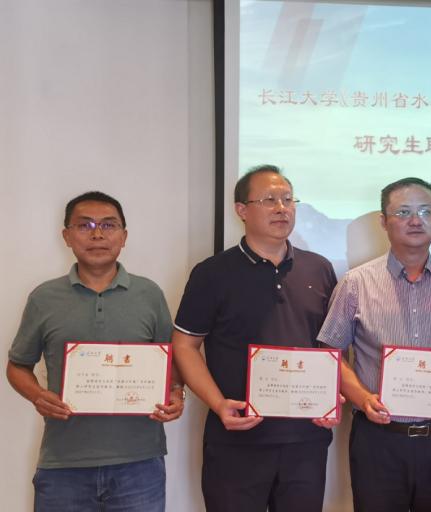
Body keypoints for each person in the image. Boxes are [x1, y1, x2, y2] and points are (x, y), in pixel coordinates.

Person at [172, 165, 340, 511]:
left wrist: (331, 396)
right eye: (268, 200)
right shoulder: (212, 273)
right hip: (236, 440)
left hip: (305, 440)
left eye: (288, 200)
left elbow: (330, 348)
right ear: (241, 210)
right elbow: (185, 345)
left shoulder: (320, 268)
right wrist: (219, 404)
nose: (281, 208)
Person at [7, 191, 183, 511]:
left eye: (108, 225)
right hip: (63, 464)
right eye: (85, 225)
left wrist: (176, 392)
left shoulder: (149, 294)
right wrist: (37, 395)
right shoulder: (43, 298)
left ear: (124, 236)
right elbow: (17, 366)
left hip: (139, 463)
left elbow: (171, 361)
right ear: (67, 236)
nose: (97, 234)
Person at [317, 177, 431, 512]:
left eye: (425, 211)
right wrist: (363, 398)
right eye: (403, 212)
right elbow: (330, 354)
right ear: (383, 221)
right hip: (378, 441)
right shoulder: (356, 283)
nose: (416, 220)